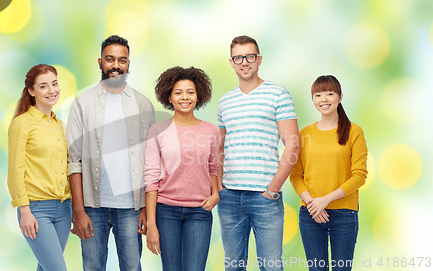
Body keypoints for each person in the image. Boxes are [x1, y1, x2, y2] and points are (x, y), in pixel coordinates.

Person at [66, 35, 155, 271]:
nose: (116, 65)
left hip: (131, 207)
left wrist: (146, 208)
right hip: (92, 207)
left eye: (122, 60)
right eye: (110, 59)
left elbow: (150, 162)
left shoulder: (143, 105)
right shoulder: (82, 104)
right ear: (99, 62)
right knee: (92, 267)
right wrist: (78, 210)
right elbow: (73, 161)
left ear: (128, 64)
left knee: (132, 267)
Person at [217, 35, 300, 271]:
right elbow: (221, 148)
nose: (245, 62)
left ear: (259, 59)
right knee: (233, 266)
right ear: (231, 62)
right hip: (230, 197)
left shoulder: (278, 95)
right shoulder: (225, 102)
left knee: (271, 267)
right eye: (238, 57)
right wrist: (221, 186)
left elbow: (293, 145)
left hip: (265, 197)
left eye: (250, 56)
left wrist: (272, 190)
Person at [144, 66, 220, 271]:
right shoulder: (157, 131)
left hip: (200, 211)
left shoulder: (211, 131)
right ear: (169, 97)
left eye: (190, 92)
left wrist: (216, 194)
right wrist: (151, 225)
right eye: (178, 92)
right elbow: (151, 179)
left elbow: (213, 166)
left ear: (198, 96)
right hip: (166, 211)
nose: (184, 97)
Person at [290, 75, 367, 271]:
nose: (323, 99)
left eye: (329, 94)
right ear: (313, 99)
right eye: (318, 95)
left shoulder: (354, 131)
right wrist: (312, 203)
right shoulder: (304, 133)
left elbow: (359, 176)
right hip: (310, 214)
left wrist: (325, 200)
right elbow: (296, 175)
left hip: (344, 214)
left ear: (340, 97)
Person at [7, 64, 71, 271]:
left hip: (64, 208)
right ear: (31, 91)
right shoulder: (22, 123)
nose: (52, 91)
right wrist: (24, 210)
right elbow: (15, 170)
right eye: (43, 86)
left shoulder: (60, 125)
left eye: (54, 84)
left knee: (46, 268)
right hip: (36, 210)